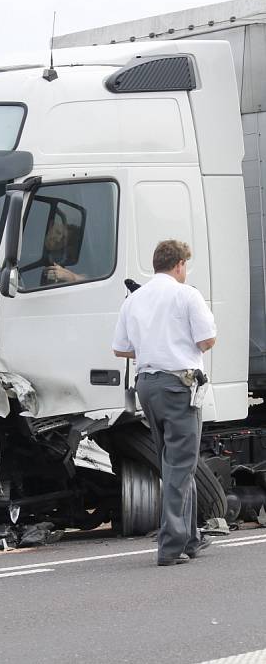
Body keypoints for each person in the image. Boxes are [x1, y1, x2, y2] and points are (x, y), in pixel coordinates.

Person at [112, 240, 217, 567]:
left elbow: (120, 349)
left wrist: (151, 347)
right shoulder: (187, 295)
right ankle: (170, 545)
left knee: (172, 462)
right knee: (181, 465)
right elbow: (206, 339)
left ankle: (190, 537)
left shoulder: (135, 298)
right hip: (178, 385)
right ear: (180, 265)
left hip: (148, 386)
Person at [42, 219, 85, 284]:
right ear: (50, 226)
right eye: (58, 232)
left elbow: (89, 278)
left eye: (64, 238)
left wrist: (71, 277)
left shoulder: (61, 260)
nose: (59, 239)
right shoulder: (32, 241)